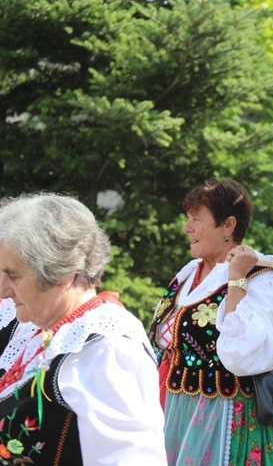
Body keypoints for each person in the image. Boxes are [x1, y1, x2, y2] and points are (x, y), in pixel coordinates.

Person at [0, 193, 167, 464]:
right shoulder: (45, 331)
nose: (3, 290)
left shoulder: (107, 348)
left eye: (13, 276)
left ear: (62, 274)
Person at [148, 177, 273, 465]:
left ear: (228, 226)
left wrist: (236, 279)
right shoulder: (189, 273)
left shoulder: (260, 277)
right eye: (188, 219)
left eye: (196, 220)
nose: (187, 228)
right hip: (178, 412)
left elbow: (246, 357)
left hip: (228, 417)